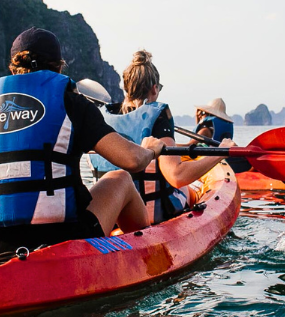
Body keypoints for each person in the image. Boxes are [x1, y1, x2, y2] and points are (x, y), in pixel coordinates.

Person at [0, 28, 166, 258]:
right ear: (59, 66)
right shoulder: (70, 100)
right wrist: (150, 149)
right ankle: (145, 254)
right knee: (120, 179)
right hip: (58, 240)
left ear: (13, 67)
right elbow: (132, 160)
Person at [90, 50, 235, 224]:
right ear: (155, 88)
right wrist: (221, 153)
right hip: (152, 217)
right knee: (190, 191)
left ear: (126, 88)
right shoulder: (157, 115)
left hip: (110, 217)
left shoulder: (101, 116)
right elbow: (177, 176)